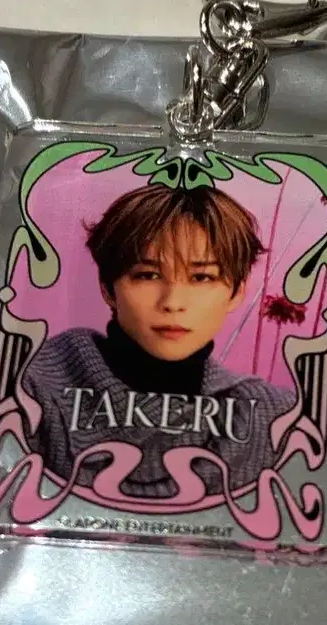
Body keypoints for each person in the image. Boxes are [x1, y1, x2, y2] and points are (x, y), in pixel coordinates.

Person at [21, 184, 296, 497]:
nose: (173, 302)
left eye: (201, 277)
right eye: (148, 275)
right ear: (107, 287)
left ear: (237, 292)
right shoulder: (31, 384)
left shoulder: (274, 416)